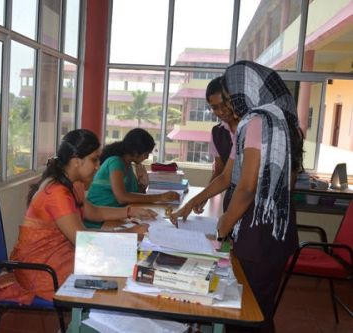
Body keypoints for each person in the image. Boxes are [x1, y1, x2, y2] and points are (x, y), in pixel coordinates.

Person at [171, 61, 303, 333]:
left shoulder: (257, 122)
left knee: (248, 312)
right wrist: (191, 203)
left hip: (260, 237)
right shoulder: (273, 121)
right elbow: (227, 176)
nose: (231, 102)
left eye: (233, 93)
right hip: (267, 235)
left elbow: (245, 189)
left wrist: (221, 230)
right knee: (256, 309)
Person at [9, 129, 156, 304]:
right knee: (115, 278)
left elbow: (94, 212)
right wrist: (130, 233)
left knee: (120, 265)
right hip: (42, 268)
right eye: (94, 159)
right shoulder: (56, 193)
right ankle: (85, 323)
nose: (97, 165)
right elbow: (83, 240)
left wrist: (129, 211)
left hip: (61, 255)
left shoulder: (74, 184)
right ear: (77, 161)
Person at [85, 128, 180, 228]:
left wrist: (143, 184)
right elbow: (122, 197)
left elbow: (134, 195)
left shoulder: (128, 164)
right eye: (145, 154)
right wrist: (160, 197)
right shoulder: (115, 162)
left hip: (116, 215)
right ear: (135, 152)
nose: (147, 157)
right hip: (99, 219)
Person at [196, 76, 240, 213]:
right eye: (215, 108)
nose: (221, 111)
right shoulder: (217, 133)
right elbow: (219, 171)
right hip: (233, 198)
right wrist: (204, 197)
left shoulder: (250, 127)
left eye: (224, 105)